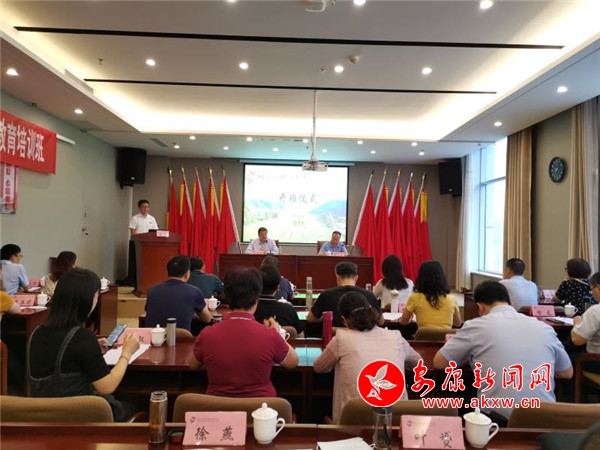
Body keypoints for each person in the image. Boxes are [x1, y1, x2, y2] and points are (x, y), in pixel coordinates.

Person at [433, 281, 572, 425]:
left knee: (461, 400)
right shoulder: (545, 328)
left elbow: (440, 362)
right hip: (546, 420)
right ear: (511, 303)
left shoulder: (476, 326)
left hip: (498, 423)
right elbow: (566, 373)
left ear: (480, 307)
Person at [27, 268, 141, 422]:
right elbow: (107, 386)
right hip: (81, 418)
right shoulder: (83, 337)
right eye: (96, 295)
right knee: (134, 405)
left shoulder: (37, 333)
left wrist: (91, 350)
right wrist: (127, 353)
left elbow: (64, 360)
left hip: (43, 418)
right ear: (87, 299)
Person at [187, 267, 298, 397]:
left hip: (218, 407)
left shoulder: (207, 334)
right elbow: (292, 362)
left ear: (227, 300)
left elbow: (193, 365)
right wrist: (277, 334)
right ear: (256, 300)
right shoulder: (270, 335)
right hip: (261, 408)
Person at [314, 291, 421, 424]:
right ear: (371, 311)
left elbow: (319, 367)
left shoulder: (341, 338)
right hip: (396, 425)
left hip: (351, 428)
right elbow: (418, 364)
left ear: (344, 320)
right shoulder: (396, 336)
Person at [145, 255, 212, 332]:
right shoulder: (194, 291)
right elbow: (207, 319)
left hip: (153, 337)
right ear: (187, 274)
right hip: (182, 338)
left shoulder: (152, 290)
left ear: (167, 272)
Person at [308, 261, 383, 329]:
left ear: (337, 278)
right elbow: (381, 321)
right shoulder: (369, 295)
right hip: (362, 337)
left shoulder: (326, 294)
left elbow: (311, 318)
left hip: (334, 337)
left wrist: (324, 318)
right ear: (356, 278)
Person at [400, 260, 461, 329]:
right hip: (445, 336)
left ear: (421, 279)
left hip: (423, 336)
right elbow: (458, 323)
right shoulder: (452, 299)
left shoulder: (415, 298)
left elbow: (403, 322)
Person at [254, 265, 303, 337]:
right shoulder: (288, 310)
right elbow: (301, 337)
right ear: (278, 287)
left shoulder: (249, 310)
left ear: (257, 286)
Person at [570, 272, 600, 374]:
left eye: (592, 289)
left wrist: (577, 322)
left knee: (566, 358)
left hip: (596, 361)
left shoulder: (595, 311)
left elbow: (577, 340)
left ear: (598, 288)